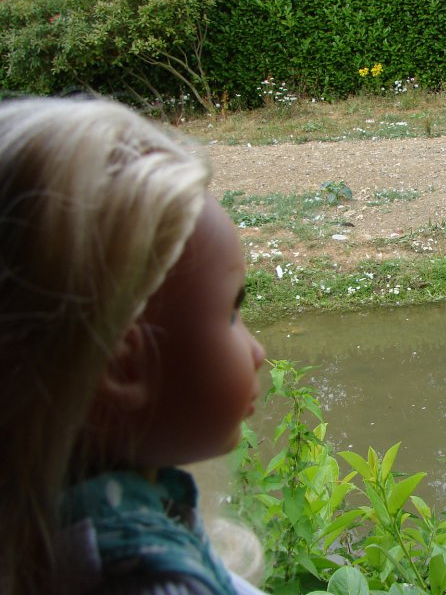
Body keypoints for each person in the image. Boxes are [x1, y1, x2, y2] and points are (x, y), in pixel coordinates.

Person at [0, 96, 268, 594]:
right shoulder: (145, 576)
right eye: (231, 310)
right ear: (121, 367)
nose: (258, 352)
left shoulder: (61, 523)